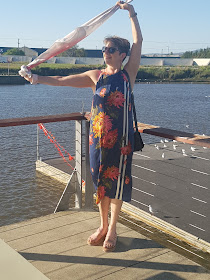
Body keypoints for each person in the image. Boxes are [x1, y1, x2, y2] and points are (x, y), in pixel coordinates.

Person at [20, 1, 143, 252]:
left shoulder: (128, 74)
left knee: (118, 185)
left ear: (123, 54)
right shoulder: (95, 76)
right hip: (97, 141)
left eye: (111, 49)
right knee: (99, 183)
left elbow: (139, 41)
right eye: (104, 48)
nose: (106, 52)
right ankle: (101, 224)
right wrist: (35, 77)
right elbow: (62, 80)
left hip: (121, 144)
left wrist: (132, 14)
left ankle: (113, 228)